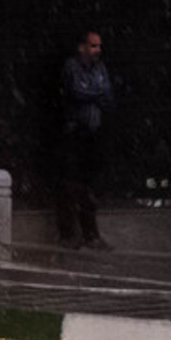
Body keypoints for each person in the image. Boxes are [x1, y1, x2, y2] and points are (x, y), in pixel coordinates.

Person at [57, 30, 113, 251]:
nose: (97, 50)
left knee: (88, 183)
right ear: (82, 47)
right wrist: (96, 93)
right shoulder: (72, 66)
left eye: (99, 46)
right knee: (72, 182)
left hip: (93, 132)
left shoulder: (100, 68)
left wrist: (94, 92)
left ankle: (89, 234)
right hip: (75, 131)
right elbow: (76, 92)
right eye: (93, 46)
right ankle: (70, 233)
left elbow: (107, 94)